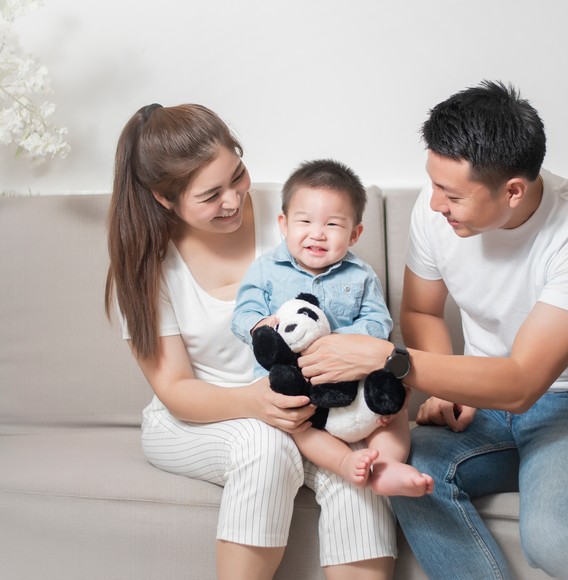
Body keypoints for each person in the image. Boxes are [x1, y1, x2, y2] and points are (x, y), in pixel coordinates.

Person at [296, 82, 568, 579]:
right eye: (434, 185)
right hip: (486, 405)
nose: (435, 205)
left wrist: (388, 359)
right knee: (405, 475)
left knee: (557, 537)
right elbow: (423, 311)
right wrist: (449, 387)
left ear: (513, 190)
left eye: (452, 195)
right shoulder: (436, 210)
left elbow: (522, 382)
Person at [104, 103, 397, 580]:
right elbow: (175, 387)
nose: (233, 200)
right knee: (264, 444)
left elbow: (349, 303)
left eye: (237, 175)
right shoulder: (147, 268)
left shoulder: (294, 216)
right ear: (164, 198)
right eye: (210, 195)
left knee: (358, 471)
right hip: (196, 416)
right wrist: (255, 403)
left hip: (297, 412)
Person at [231, 158, 434, 498]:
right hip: (296, 383)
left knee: (393, 409)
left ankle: (387, 465)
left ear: (355, 234)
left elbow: (378, 322)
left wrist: (338, 341)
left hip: (351, 377)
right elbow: (243, 312)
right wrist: (259, 326)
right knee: (297, 422)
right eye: (305, 221)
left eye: (333, 224)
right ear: (284, 224)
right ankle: (344, 462)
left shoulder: (361, 275)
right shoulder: (265, 270)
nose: (317, 233)